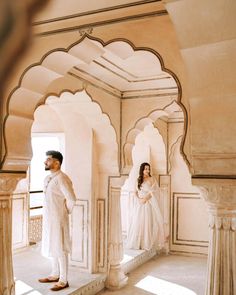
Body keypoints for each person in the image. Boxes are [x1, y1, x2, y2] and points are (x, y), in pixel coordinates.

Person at [38, 150, 76, 291]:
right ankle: (54, 274)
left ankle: (63, 280)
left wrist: (65, 212)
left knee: (60, 248)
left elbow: (71, 198)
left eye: (48, 159)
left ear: (57, 162)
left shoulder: (62, 178)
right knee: (53, 245)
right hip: (49, 219)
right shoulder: (49, 178)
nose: (45, 162)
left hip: (58, 219)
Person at [126, 162, 165, 251]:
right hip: (139, 203)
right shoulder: (138, 180)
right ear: (142, 170)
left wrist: (145, 199)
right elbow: (135, 192)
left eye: (148, 169)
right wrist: (139, 199)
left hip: (148, 203)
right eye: (146, 169)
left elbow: (154, 192)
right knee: (138, 222)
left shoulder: (152, 179)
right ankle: (137, 242)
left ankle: (146, 243)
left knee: (147, 222)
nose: (147, 170)